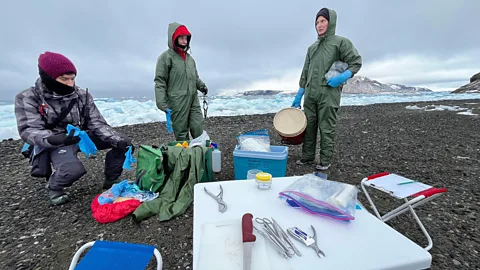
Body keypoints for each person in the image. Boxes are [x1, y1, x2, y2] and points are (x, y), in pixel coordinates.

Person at [14, 51, 134, 205]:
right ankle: (54, 187)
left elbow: (96, 123)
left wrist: (117, 139)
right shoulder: (28, 98)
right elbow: (29, 130)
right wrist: (55, 138)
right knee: (73, 170)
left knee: (123, 143)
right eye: (64, 79)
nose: (70, 83)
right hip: (56, 140)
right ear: (48, 77)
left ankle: (111, 178)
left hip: (81, 135)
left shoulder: (82, 95)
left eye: (72, 78)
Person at [291, 8, 362, 171]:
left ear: (331, 22)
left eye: (323, 21)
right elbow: (305, 71)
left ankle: (324, 161)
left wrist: (342, 77)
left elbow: (356, 62)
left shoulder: (341, 42)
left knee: (326, 128)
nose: (319, 25)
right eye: (317, 22)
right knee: (308, 127)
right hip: (310, 94)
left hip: (328, 94)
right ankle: (307, 157)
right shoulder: (312, 48)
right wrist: (299, 94)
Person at [154, 22, 208, 141]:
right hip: (177, 101)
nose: (184, 41)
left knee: (198, 127)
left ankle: (198, 155)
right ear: (174, 38)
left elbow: (195, 77)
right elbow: (160, 81)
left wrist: (202, 86)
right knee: (181, 133)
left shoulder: (190, 59)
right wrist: (161, 103)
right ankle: (185, 158)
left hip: (193, 99)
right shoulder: (166, 58)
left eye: (186, 38)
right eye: (181, 38)